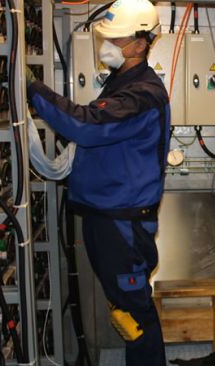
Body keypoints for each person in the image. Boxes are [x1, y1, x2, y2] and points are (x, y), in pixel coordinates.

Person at [26, 0, 169, 364]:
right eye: (104, 36)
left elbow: (88, 126)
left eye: (115, 39)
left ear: (141, 43)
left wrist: (34, 91)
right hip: (107, 216)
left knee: (134, 315)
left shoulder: (142, 94)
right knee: (124, 308)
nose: (106, 45)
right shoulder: (123, 83)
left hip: (122, 222)